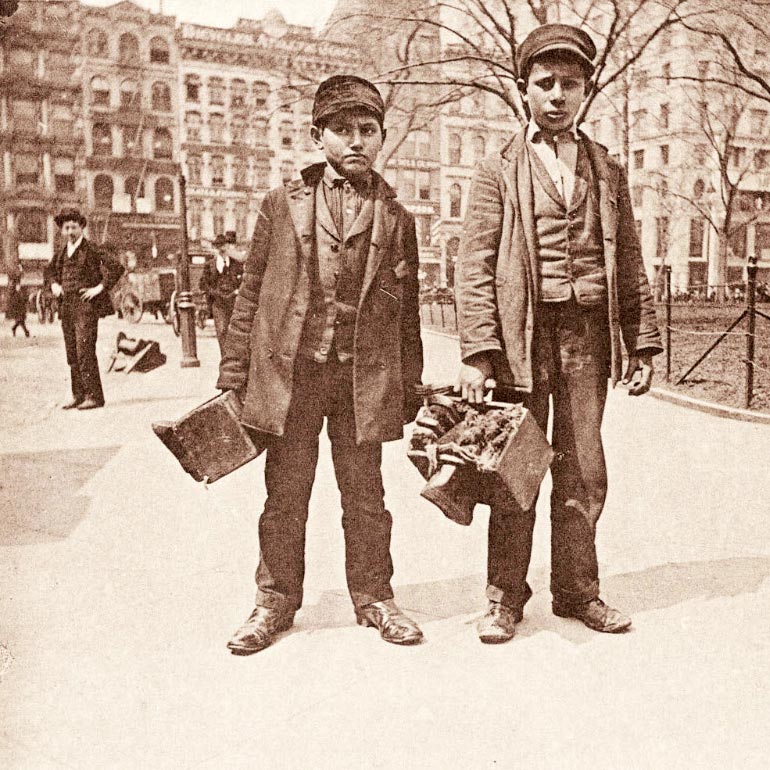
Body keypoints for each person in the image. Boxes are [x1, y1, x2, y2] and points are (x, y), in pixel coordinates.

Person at [454, 24, 663, 644]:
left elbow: (628, 258)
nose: (556, 95)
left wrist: (643, 343)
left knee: (583, 471)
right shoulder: (498, 169)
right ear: (524, 91)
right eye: (544, 84)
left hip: (587, 341)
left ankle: (576, 592)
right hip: (523, 336)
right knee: (514, 466)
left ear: (585, 90)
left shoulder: (606, 169)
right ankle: (503, 598)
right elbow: (475, 265)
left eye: (569, 84)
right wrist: (478, 352)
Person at [217, 75, 425, 655]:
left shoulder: (397, 218)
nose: (355, 140)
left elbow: (405, 311)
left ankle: (376, 597)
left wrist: (409, 386)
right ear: (317, 136)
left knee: (366, 496)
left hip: (362, 379)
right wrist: (234, 375)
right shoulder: (281, 205)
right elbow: (251, 291)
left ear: (382, 136)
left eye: (368, 130)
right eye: (342, 130)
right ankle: (274, 602)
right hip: (294, 376)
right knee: (285, 493)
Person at [45, 209, 124, 410]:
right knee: (72, 352)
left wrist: (99, 288)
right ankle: (78, 394)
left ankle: (94, 396)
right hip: (67, 309)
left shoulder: (91, 249)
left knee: (85, 351)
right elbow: (49, 272)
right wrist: (54, 284)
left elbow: (116, 267)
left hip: (86, 309)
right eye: (66, 228)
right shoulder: (62, 253)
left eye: (73, 227)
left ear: (81, 228)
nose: (70, 231)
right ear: (62, 231)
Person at [199, 230, 244, 355]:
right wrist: (215, 293)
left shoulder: (236, 264)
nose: (221, 249)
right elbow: (203, 285)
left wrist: (237, 290)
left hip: (234, 303)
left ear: (227, 246)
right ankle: (226, 360)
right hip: (219, 304)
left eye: (223, 245)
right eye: (218, 246)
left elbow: (243, 280)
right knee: (222, 331)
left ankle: (235, 361)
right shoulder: (210, 265)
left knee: (235, 333)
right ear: (215, 248)